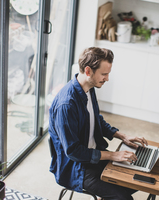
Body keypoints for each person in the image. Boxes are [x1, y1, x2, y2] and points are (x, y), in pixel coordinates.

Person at [49, 47, 148, 200]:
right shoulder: (66, 105)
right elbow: (74, 152)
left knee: (136, 179)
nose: (107, 78)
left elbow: (96, 120)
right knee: (123, 197)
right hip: (77, 169)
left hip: (94, 156)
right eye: (104, 74)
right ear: (88, 71)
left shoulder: (89, 88)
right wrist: (113, 155)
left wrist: (122, 136)